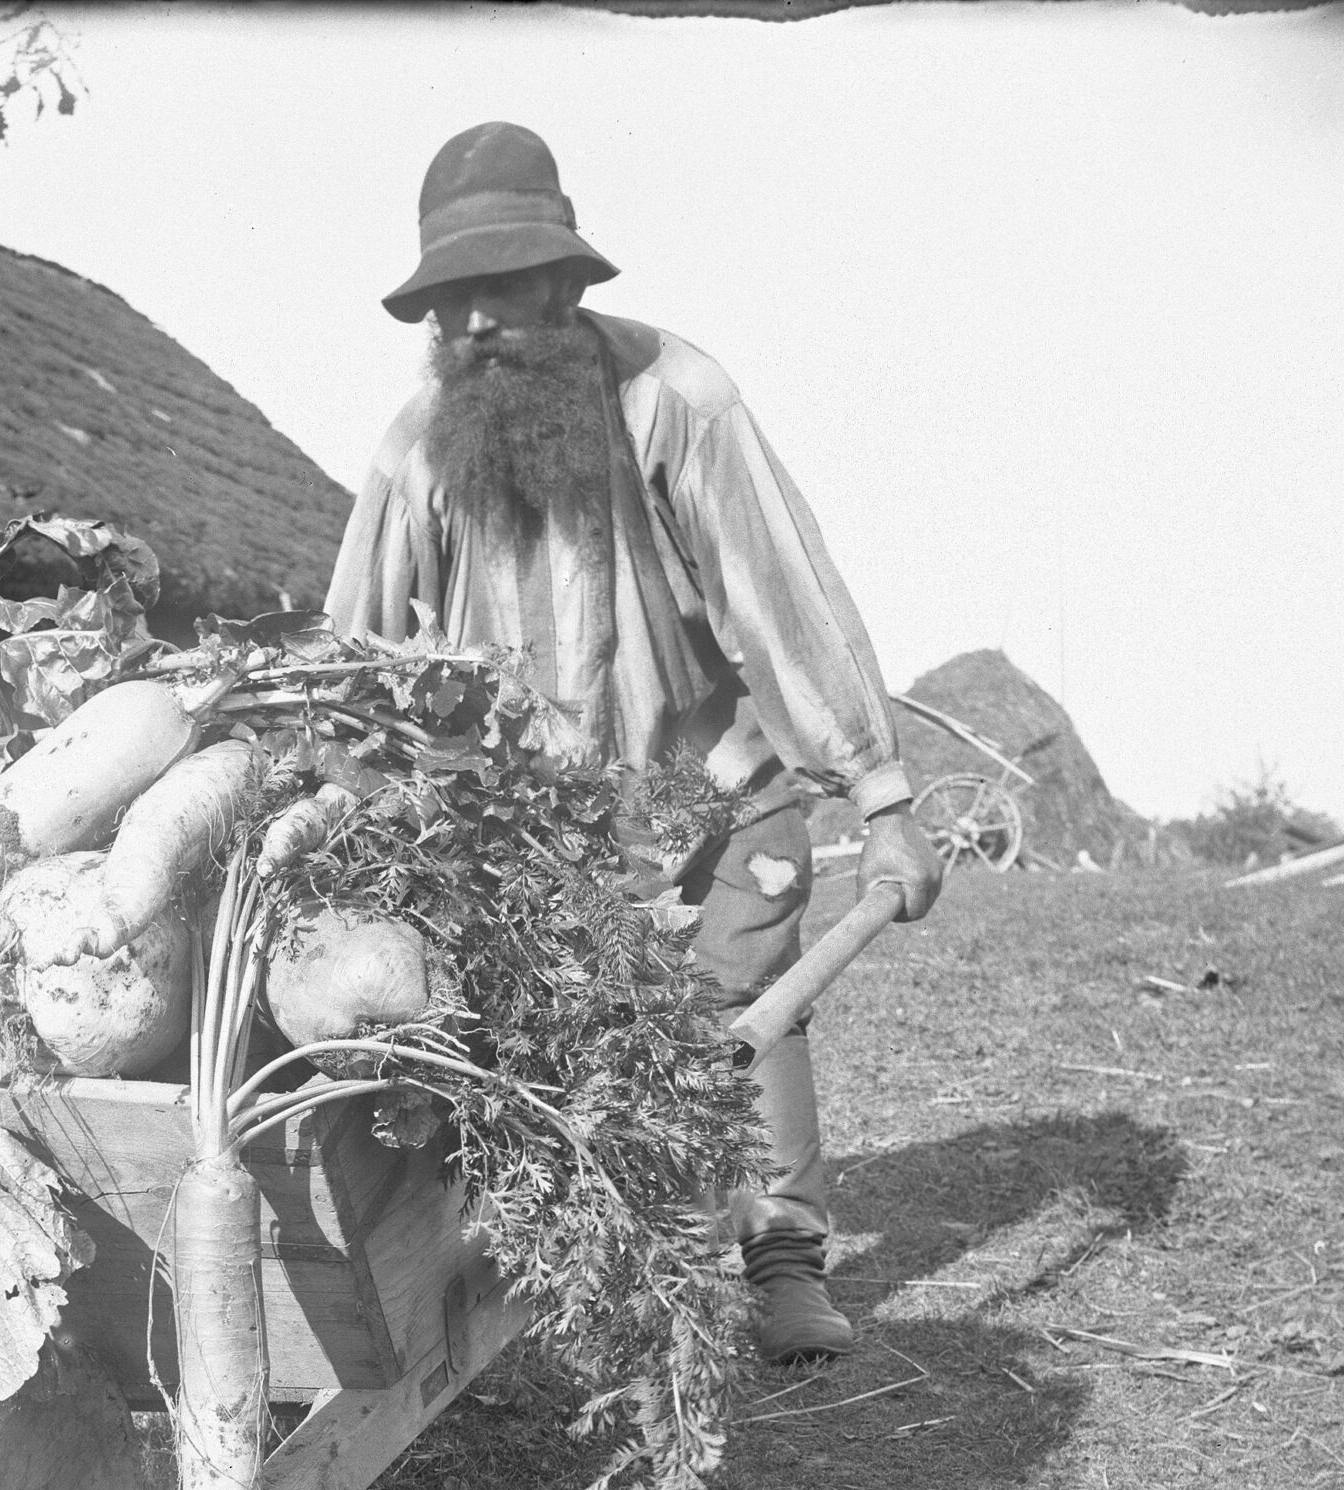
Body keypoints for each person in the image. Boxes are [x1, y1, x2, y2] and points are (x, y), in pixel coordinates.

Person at [324, 121, 945, 1363]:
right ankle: (591, 1290)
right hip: (522, 827)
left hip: (712, 789)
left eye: (503, 287)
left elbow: (778, 593)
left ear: (564, 283)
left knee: (745, 1012)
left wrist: (881, 796)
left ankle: (781, 1260)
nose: (476, 323)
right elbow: (354, 654)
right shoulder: (417, 445)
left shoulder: (676, 398)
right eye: (451, 301)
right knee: (558, 1058)